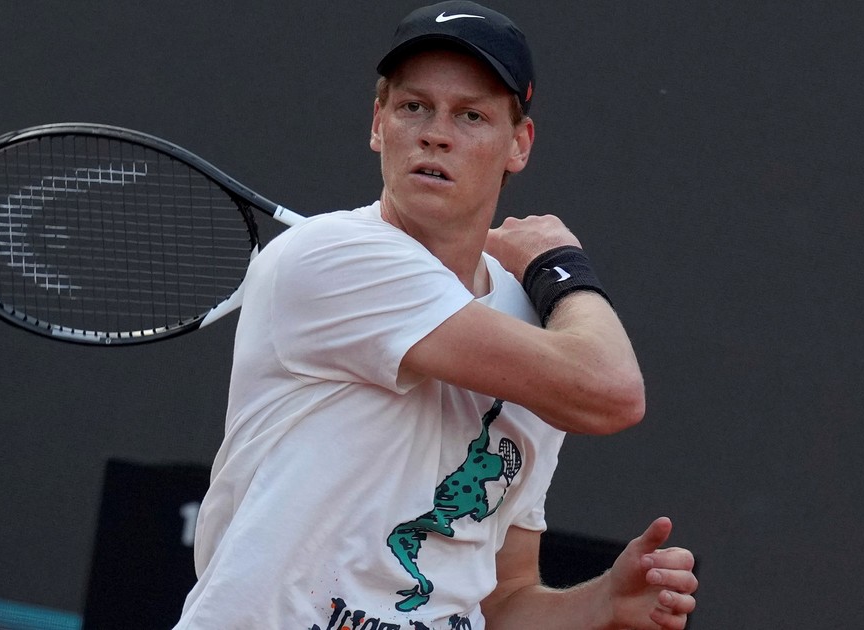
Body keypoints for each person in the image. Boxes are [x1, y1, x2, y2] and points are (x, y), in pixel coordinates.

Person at [174, 2, 698, 628]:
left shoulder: (541, 329)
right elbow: (612, 392)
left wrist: (601, 604)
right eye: (413, 107)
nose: (435, 133)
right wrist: (560, 265)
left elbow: (501, 599)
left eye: (471, 115)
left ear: (519, 144)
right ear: (379, 124)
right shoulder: (332, 257)